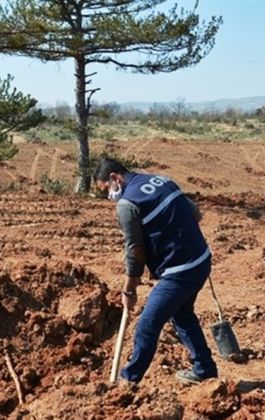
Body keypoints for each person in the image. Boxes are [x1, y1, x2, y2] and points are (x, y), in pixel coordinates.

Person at [93, 158, 218, 386]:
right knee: (182, 315)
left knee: (147, 325)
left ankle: (128, 382)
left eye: (106, 190)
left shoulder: (127, 204)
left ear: (114, 178)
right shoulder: (160, 180)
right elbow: (195, 213)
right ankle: (205, 370)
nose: (110, 196)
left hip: (180, 272)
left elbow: (135, 250)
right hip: (200, 259)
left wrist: (129, 291)